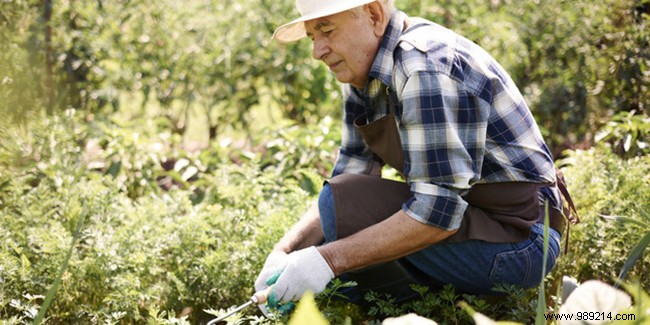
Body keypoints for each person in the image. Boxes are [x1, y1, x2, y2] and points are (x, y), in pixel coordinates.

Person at [255, 0, 578, 310]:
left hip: (522, 240)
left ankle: (410, 311)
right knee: (341, 200)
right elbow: (350, 173)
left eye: (327, 30)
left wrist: (327, 261)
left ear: (374, 14)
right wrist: (284, 253)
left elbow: (438, 212)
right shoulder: (360, 71)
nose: (317, 51)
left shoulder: (423, 64)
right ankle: (420, 309)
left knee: (341, 216)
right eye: (312, 37)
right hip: (477, 220)